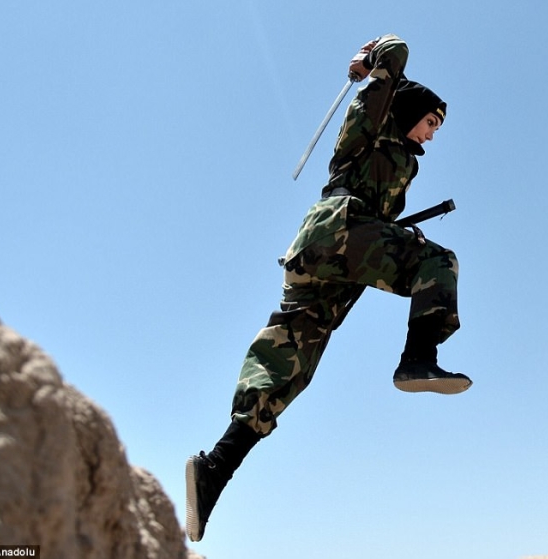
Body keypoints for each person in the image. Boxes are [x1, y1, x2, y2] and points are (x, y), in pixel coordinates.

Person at [185, 33, 472, 543]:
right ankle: (417, 357)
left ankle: (214, 470)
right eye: (431, 122)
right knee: (438, 261)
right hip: (335, 234)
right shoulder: (370, 126)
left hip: (326, 263)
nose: (432, 135)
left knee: (287, 366)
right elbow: (395, 52)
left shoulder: (402, 160)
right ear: (407, 111)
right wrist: (374, 60)